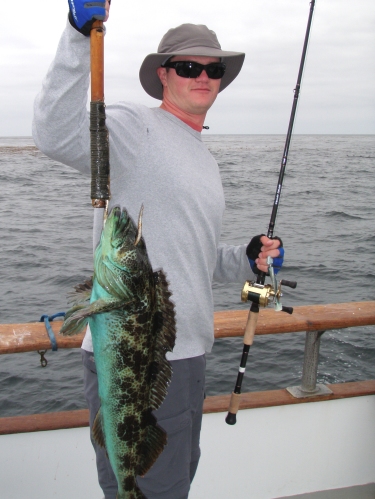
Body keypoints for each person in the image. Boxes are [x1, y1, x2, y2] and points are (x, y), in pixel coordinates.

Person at [32, 2, 284, 498]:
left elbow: (196, 258)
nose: (203, 76)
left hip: (189, 357)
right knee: (150, 488)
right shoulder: (135, 128)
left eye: (213, 69)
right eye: (189, 67)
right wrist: (78, 34)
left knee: (173, 483)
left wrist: (247, 256)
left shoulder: (203, 159)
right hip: (134, 359)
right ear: (164, 74)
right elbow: (54, 134)